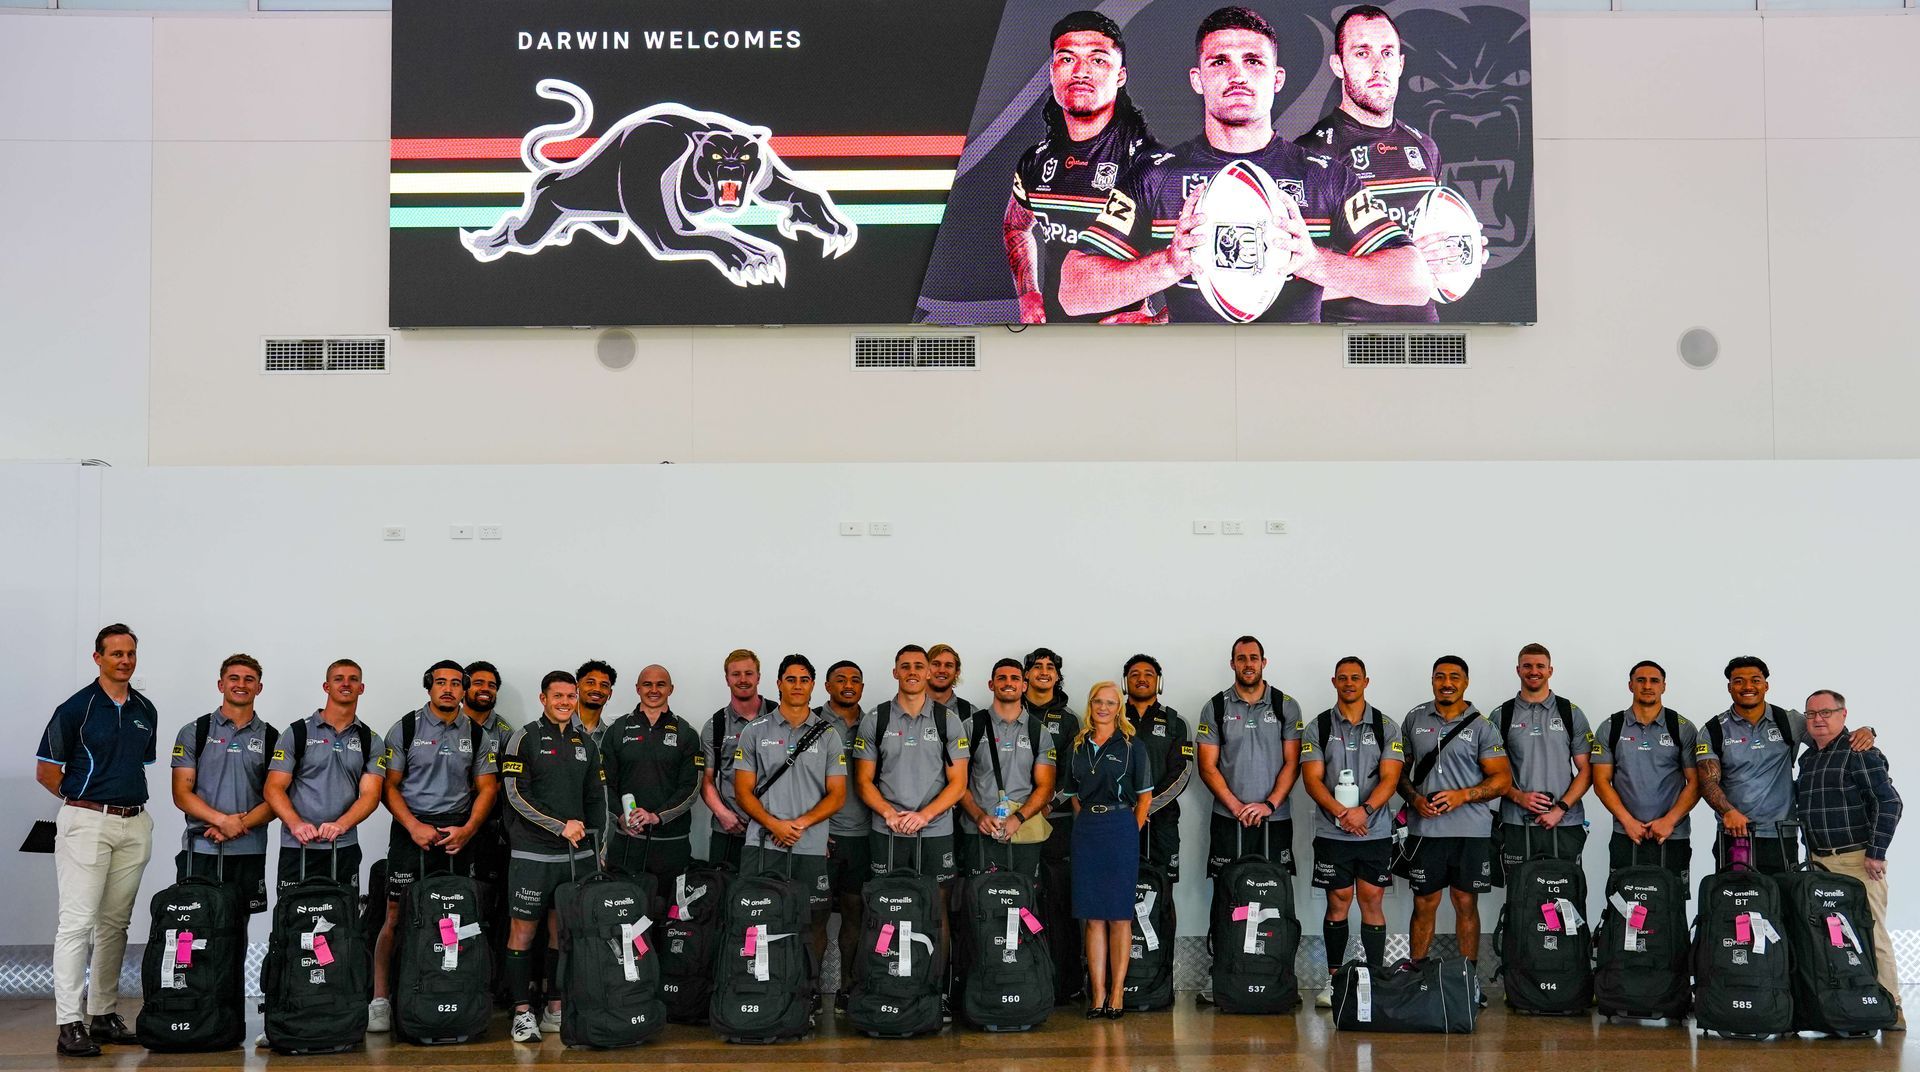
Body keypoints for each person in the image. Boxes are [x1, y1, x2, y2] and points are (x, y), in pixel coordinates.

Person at [1061, 5, 1428, 322]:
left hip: (1297, 384)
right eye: (1220, 61)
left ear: (1277, 78)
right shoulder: (1156, 175)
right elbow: (1073, 292)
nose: (1237, 75)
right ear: (1197, 79)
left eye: (1253, 61)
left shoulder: (1324, 175)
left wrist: (1313, 262)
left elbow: (1414, 282)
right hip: (1193, 382)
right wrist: (1168, 265)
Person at [1296, 4, 1482, 322]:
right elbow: (1292, 283)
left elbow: (1428, 243)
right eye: (1362, 53)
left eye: (1387, 53)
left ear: (1400, 63)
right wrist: (1405, 270)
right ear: (1338, 65)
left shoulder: (1424, 146)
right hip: (1348, 343)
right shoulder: (1311, 154)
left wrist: (1461, 250)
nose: (1378, 66)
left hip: (1426, 340)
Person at [35, 624, 158, 1057]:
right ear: (98, 658)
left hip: (133, 823)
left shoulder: (146, 709)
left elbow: (138, 762)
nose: (124, 660)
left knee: (114, 924)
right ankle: (69, 1022)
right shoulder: (76, 708)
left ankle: (102, 1014)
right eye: (116, 654)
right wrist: (87, 805)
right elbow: (48, 771)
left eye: (130, 654)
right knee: (77, 924)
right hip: (86, 822)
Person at [1004, 9, 1160, 323]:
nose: (1081, 71)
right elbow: (1015, 227)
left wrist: (1159, 323)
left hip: (1125, 354)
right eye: (1067, 59)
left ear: (1120, 75)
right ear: (1052, 72)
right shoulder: (1036, 161)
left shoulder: (1148, 165)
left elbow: (1202, 264)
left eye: (1098, 59)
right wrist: (1028, 294)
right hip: (1055, 342)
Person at [369, 660, 500, 1033]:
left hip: (458, 834)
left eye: (455, 684)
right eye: (440, 682)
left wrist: (469, 829)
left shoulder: (476, 734)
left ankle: (452, 989)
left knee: (456, 917)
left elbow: (488, 788)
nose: (448, 689)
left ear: (464, 690)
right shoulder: (406, 727)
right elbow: (388, 786)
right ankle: (380, 1000)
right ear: (428, 688)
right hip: (411, 832)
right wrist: (413, 826)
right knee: (395, 914)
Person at [853, 645, 970, 978]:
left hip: (934, 832)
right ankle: (884, 981)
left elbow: (958, 783)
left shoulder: (948, 720)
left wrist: (924, 816)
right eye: (905, 666)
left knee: (937, 908)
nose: (913, 672)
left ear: (929, 672)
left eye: (919, 666)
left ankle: (936, 987)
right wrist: (889, 814)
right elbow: (863, 782)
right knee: (882, 906)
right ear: (895, 673)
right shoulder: (876, 719)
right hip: (886, 831)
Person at [1697, 656, 1874, 874]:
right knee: (1736, 904)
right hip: (1736, 835)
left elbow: (1831, 738)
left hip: (1783, 834)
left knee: (1783, 903)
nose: (1748, 686)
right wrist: (1728, 812)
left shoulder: (1788, 720)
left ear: (1766, 685)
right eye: (1739, 681)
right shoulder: (1713, 729)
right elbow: (1707, 781)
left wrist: (1867, 729)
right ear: (1729, 687)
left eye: (1755, 679)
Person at [501, 671, 604, 1043]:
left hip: (575, 859)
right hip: (531, 855)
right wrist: (559, 825)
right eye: (557, 695)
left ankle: (554, 1008)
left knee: (562, 934)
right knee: (523, 932)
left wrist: (597, 849)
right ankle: (522, 1012)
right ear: (543, 698)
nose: (564, 702)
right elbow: (515, 795)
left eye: (570, 696)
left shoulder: (586, 744)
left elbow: (596, 801)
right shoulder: (524, 737)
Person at [733, 655, 848, 985]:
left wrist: (799, 825)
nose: (797, 685)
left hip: (809, 845)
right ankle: (760, 989)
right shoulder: (755, 731)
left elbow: (837, 795)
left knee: (813, 922)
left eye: (804, 679)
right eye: (790, 679)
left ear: (812, 685)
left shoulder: (828, 735)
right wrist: (775, 825)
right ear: (779, 683)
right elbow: (743, 792)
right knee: (758, 916)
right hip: (763, 843)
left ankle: (807, 993)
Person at [1795, 689, 1904, 1030]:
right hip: (1819, 863)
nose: (1818, 719)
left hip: (1858, 860)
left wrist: (1876, 853)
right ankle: (1845, 1006)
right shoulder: (1808, 760)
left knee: (1871, 935)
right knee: (1831, 939)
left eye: (1826, 712)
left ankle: (1892, 1009)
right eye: (1812, 714)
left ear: (1843, 715)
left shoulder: (1860, 752)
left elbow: (1889, 804)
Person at [1300, 656, 1403, 1003]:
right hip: (1333, 833)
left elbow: (1391, 778)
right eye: (1342, 678)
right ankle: (1335, 981)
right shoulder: (1318, 727)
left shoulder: (1386, 726)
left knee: (1372, 899)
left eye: (1355, 678)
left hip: (1374, 832)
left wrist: (1366, 811)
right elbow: (1312, 780)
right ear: (1334, 682)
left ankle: (1373, 980)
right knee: (1339, 900)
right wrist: (1344, 814)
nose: (1348, 683)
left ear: (1366, 682)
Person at [1398, 656, 1509, 977]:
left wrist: (1463, 795)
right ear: (1432, 679)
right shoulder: (1415, 719)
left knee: (1465, 903)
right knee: (1424, 904)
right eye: (1440, 676)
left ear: (1466, 682)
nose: (1447, 682)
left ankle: (1467, 980)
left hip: (1471, 832)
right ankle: (1415, 976)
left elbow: (1502, 780)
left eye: (1455, 677)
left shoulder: (1482, 725)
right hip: (1425, 831)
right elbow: (1399, 772)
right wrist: (1414, 799)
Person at [265, 659, 386, 896]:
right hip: (298, 846)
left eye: (353, 679)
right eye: (338, 678)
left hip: (343, 846)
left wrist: (341, 825)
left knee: (343, 922)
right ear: (326, 686)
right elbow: (273, 788)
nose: (346, 684)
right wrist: (295, 824)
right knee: (293, 921)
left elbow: (371, 795)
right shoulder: (297, 732)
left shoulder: (371, 740)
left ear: (361, 688)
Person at [1067, 682, 1152, 1019]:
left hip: (1121, 829)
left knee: (1118, 915)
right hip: (1087, 829)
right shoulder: (1077, 746)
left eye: (1110, 702)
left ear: (1120, 707)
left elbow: (1144, 796)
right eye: (1098, 702)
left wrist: (1132, 827)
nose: (1103, 707)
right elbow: (1073, 793)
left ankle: (1117, 993)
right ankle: (1097, 995)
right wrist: (1085, 820)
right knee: (1093, 918)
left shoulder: (1133, 747)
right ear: (1090, 705)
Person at [170, 654, 277, 921]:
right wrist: (221, 821)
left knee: (238, 928)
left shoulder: (272, 737)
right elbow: (181, 794)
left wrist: (237, 826)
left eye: (249, 679)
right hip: (201, 849)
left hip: (249, 850)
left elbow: (277, 799)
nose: (241, 684)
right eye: (234, 678)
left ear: (259, 688)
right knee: (194, 927)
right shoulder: (195, 731)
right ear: (221, 685)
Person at [1196, 635, 1302, 876]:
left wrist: (1268, 805)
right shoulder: (1215, 707)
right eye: (1241, 659)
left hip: (1274, 818)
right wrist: (1236, 807)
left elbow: (1293, 763)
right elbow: (1207, 767)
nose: (1248, 664)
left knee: (1274, 891)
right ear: (1232, 664)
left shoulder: (1286, 705)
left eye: (1254, 658)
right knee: (1227, 891)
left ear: (1264, 662)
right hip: (1228, 817)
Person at [1589, 660, 1699, 885]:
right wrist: (1627, 821)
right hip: (1626, 833)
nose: (1647, 686)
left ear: (1664, 686)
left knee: (1672, 904)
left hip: (1672, 834)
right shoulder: (1611, 727)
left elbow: (1696, 782)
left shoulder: (1682, 728)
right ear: (1630, 685)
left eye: (1654, 681)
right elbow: (1600, 781)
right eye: (1641, 680)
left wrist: (1669, 821)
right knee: (1622, 906)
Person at [1493, 643, 1593, 878]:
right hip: (1517, 822)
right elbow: (1490, 772)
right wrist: (1519, 797)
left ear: (1550, 670)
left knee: (1566, 896)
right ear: (1518, 670)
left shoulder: (1571, 713)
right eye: (1527, 666)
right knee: (1521, 896)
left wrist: (1561, 808)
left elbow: (1587, 770)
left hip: (1565, 823)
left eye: (1540, 666)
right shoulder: (1502, 715)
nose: (1534, 671)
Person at [602, 664, 704, 889]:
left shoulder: (686, 733)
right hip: (627, 842)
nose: (654, 690)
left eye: (661, 684)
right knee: (624, 914)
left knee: (668, 916)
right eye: (647, 684)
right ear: (637, 688)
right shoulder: (617, 730)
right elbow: (603, 784)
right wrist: (619, 815)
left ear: (671, 689)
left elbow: (691, 788)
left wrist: (656, 816)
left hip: (671, 844)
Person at [958, 658, 1056, 880]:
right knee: (981, 901)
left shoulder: (1038, 731)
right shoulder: (971, 727)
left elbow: (1046, 787)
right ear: (991, 685)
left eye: (1015, 678)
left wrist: (1017, 818)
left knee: (1023, 899)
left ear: (1024, 685)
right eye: (1001, 678)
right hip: (979, 831)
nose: (1008, 683)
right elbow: (957, 783)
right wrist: (979, 817)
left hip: (1024, 832)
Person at [820, 659, 868, 1012]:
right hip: (821, 836)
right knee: (815, 916)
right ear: (827, 686)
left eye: (855, 680)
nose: (848, 685)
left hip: (864, 836)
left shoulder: (876, 722)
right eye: (840, 680)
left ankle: (847, 987)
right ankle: (811, 992)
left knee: (856, 914)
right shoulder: (812, 722)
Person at [702, 649, 777, 868]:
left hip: (774, 828)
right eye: (736, 674)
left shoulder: (780, 715)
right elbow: (707, 779)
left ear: (759, 677)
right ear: (727, 679)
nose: (743, 680)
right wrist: (722, 814)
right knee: (724, 894)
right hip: (730, 828)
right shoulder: (715, 725)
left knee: (772, 894)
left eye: (749, 673)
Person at [1123, 654, 1192, 881]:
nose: (1141, 679)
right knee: (1117, 888)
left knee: (1161, 888)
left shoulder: (1176, 723)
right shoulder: (1111, 719)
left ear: (1159, 682)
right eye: (1134, 675)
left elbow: (1182, 773)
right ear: (1125, 682)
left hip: (1162, 822)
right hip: (1120, 819)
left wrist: (1147, 806)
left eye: (1148, 674)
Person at [927, 644, 981, 721]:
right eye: (936, 664)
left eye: (948, 665)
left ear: (957, 672)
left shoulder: (971, 714)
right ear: (925, 669)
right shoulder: (908, 708)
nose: (942, 670)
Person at [574, 659, 616, 747]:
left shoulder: (611, 737)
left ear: (610, 693)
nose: (597, 689)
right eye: (590, 683)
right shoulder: (554, 726)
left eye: (604, 685)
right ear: (577, 687)